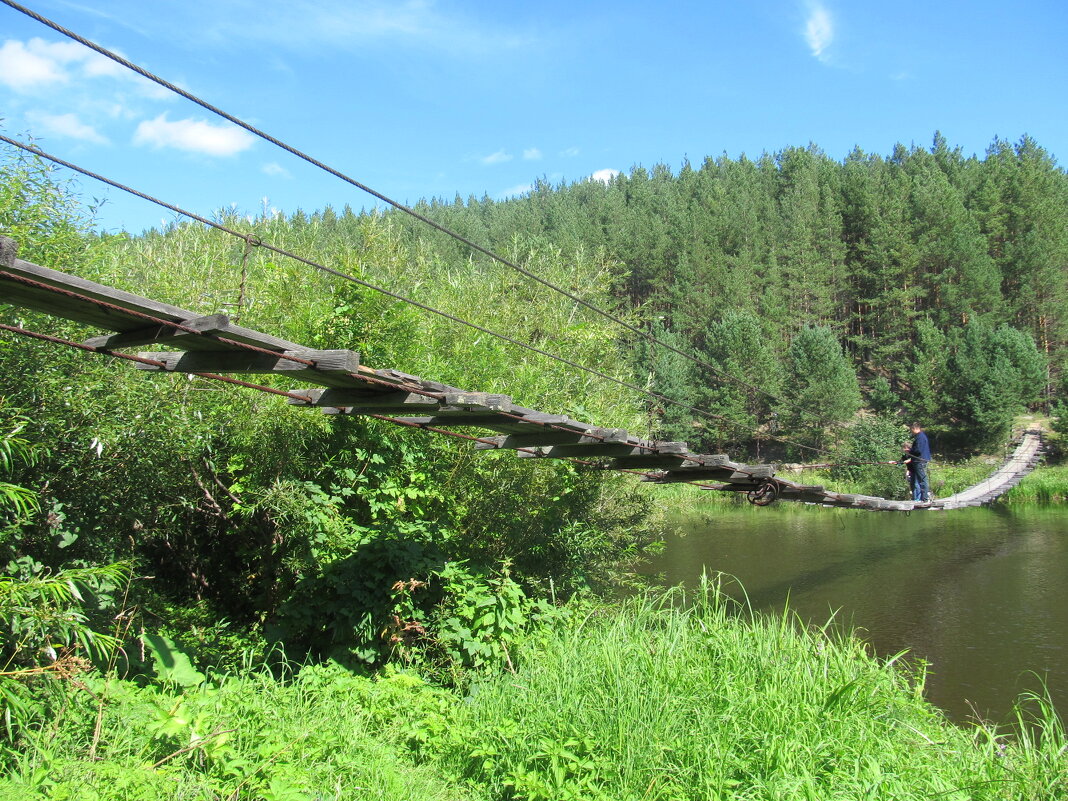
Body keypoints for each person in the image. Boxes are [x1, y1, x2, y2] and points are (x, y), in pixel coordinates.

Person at [908, 422, 932, 502]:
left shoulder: (920, 437)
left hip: (920, 461)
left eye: (911, 429)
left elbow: (918, 450)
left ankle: (925, 498)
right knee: (919, 479)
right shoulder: (920, 436)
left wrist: (910, 451)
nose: (911, 431)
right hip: (920, 460)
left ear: (914, 428)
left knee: (922, 479)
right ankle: (921, 497)